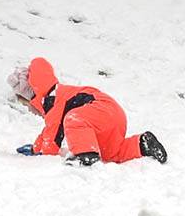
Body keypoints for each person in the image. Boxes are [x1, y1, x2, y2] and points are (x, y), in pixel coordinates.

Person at [9, 57, 168, 166]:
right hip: (112, 115)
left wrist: (38, 152)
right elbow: (49, 131)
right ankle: (142, 144)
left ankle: (86, 156)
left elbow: (52, 140)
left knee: (73, 119)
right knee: (110, 153)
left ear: (33, 93)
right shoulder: (58, 97)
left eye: (28, 103)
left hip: (102, 109)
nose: (31, 109)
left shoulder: (55, 99)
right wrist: (35, 148)